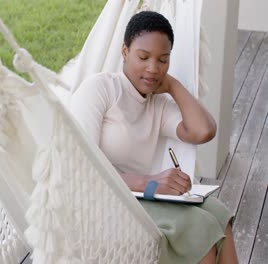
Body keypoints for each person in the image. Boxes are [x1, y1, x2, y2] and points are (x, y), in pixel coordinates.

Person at [70, 11, 238, 264]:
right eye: (143, 57)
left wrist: (172, 85)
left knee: (218, 213)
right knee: (197, 227)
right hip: (98, 203)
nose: (153, 68)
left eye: (163, 60)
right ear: (125, 51)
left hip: (139, 199)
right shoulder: (100, 89)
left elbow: (203, 131)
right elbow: (81, 168)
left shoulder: (157, 104)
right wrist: (150, 183)